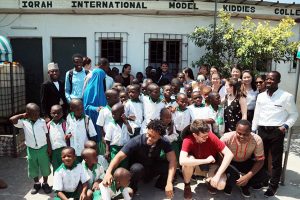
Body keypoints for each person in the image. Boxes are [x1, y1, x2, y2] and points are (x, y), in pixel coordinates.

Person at [102, 119, 176, 199]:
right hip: (138, 170)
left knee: (168, 165)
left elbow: (173, 160)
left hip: (152, 167)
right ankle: (133, 188)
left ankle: (162, 184)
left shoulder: (164, 142)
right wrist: (108, 173)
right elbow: (118, 157)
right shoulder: (136, 141)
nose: (150, 139)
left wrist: (169, 182)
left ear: (160, 136)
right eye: (149, 134)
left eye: (154, 137)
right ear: (147, 130)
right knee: (137, 168)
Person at [252, 71, 298, 197]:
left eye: (272, 79)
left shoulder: (286, 96)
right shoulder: (261, 96)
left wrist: (285, 126)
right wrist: (253, 129)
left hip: (276, 131)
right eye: (267, 79)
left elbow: (294, 114)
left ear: (278, 81)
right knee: (261, 158)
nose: (268, 81)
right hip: (261, 130)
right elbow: (257, 113)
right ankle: (263, 181)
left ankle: (273, 186)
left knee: (276, 161)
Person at [179, 120, 233, 199]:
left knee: (221, 185)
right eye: (203, 136)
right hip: (196, 165)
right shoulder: (188, 139)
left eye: (207, 135)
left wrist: (217, 175)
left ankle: (210, 180)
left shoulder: (210, 136)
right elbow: (182, 161)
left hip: (212, 165)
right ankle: (187, 185)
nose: (207, 137)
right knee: (187, 162)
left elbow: (229, 154)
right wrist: (206, 160)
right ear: (195, 135)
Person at [10, 103, 52, 194]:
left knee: (45, 167)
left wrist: (49, 147)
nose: (37, 115)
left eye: (38, 113)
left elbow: (47, 134)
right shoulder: (23, 122)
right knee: (33, 167)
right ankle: (37, 183)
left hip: (43, 148)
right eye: (34, 114)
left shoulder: (42, 121)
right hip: (31, 149)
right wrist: (22, 115)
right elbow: (12, 120)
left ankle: (45, 183)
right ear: (27, 114)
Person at [221, 120, 268, 197]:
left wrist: (248, 176)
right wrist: (226, 169)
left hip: (246, 161)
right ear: (235, 130)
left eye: (245, 134)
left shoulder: (257, 140)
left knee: (263, 175)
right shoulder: (226, 138)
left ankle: (246, 185)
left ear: (250, 132)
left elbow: (260, 160)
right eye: (239, 133)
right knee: (231, 175)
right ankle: (229, 185)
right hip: (230, 162)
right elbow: (218, 155)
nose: (242, 136)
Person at [83, 59, 107, 144]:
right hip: (93, 118)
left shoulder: (101, 90)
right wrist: (96, 108)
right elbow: (86, 107)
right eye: (102, 77)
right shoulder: (89, 91)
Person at [104, 103, 132, 167]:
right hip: (114, 149)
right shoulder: (111, 124)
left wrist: (127, 123)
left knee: (124, 165)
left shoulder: (127, 123)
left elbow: (131, 133)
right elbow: (107, 139)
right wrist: (107, 151)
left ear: (122, 113)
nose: (113, 116)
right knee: (114, 164)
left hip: (125, 148)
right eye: (112, 114)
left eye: (115, 114)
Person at [47, 105, 67, 172]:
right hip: (54, 151)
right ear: (50, 113)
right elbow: (47, 137)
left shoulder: (65, 124)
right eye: (54, 113)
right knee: (56, 168)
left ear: (62, 113)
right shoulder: (48, 125)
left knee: (65, 167)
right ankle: (57, 181)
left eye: (58, 113)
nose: (56, 115)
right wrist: (49, 148)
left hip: (64, 150)